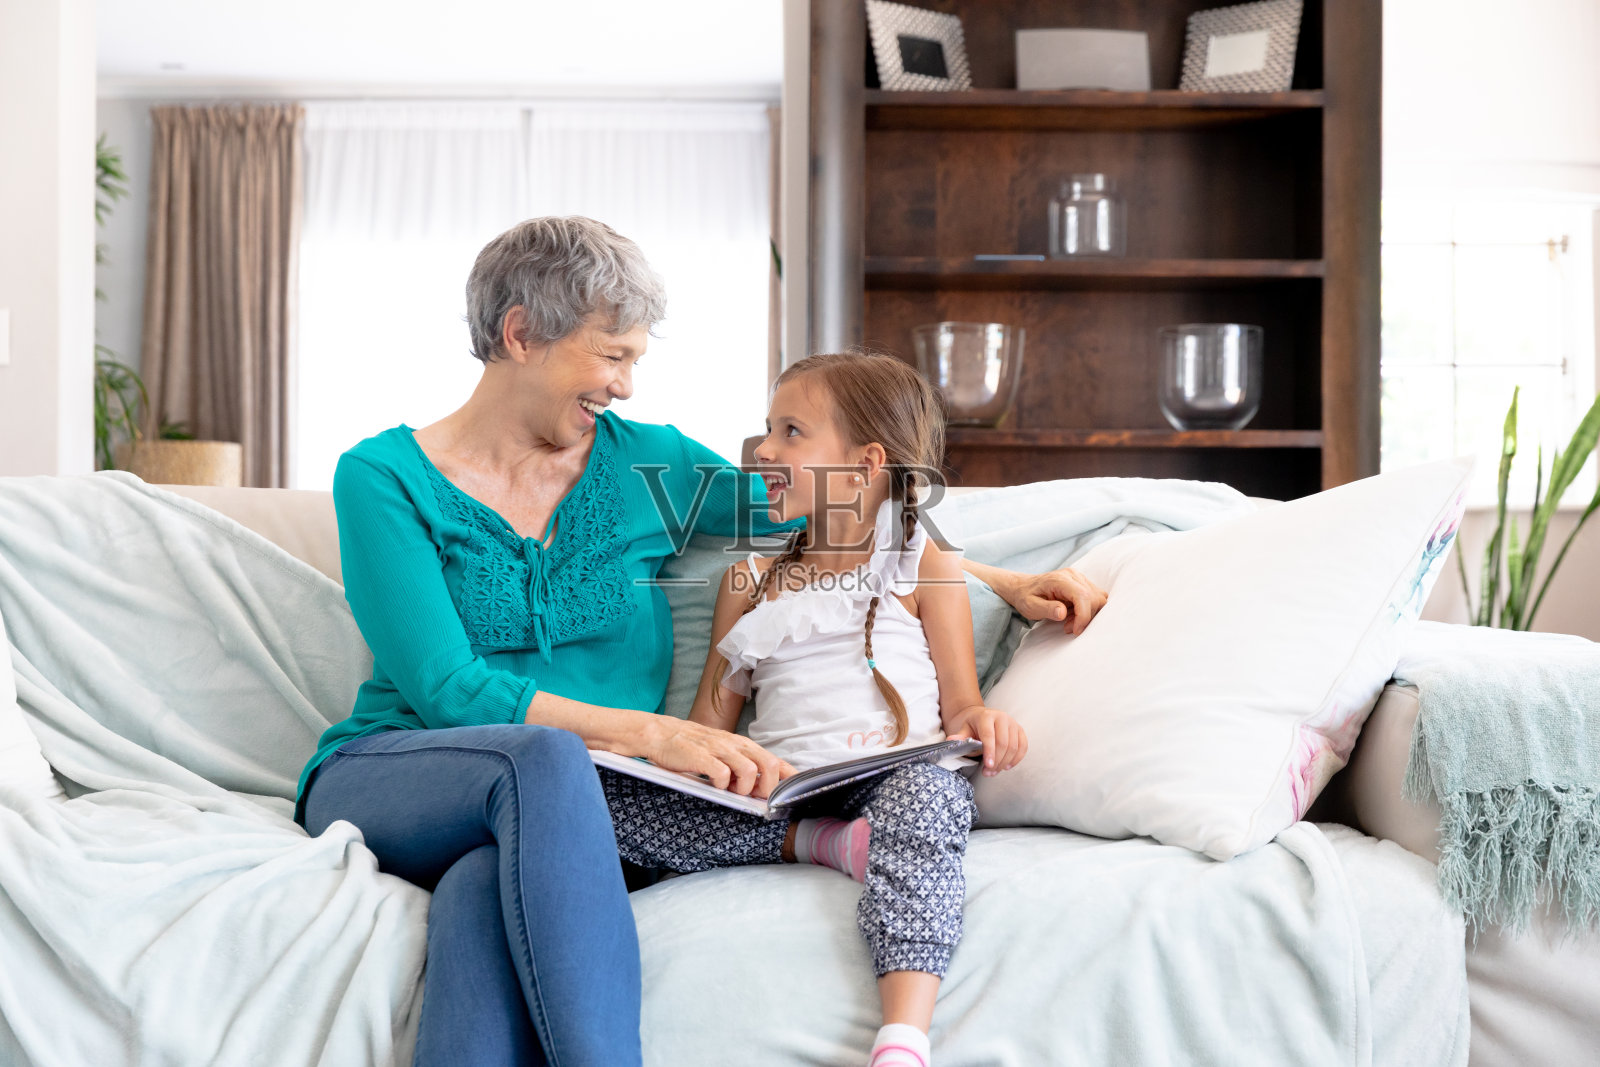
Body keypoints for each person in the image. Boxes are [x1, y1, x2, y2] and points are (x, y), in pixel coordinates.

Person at [295, 216, 1106, 1067]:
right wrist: (655, 734)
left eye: (636, 359)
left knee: (476, 895)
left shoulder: (652, 465)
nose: (627, 385)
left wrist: (999, 580)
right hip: (403, 771)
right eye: (613, 355)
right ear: (521, 332)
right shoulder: (383, 477)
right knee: (543, 758)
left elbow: (841, 515)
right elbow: (447, 689)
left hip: (566, 812)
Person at [599, 352, 1025, 1067]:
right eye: (768, 428)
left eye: (791, 431)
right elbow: (711, 728)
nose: (763, 449)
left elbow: (963, 706)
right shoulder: (750, 578)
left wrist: (987, 722)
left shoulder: (926, 567)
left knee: (931, 800)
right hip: (778, 793)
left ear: (864, 466)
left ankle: (903, 1036)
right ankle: (823, 842)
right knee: (596, 797)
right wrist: (677, 763)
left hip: (894, 778)